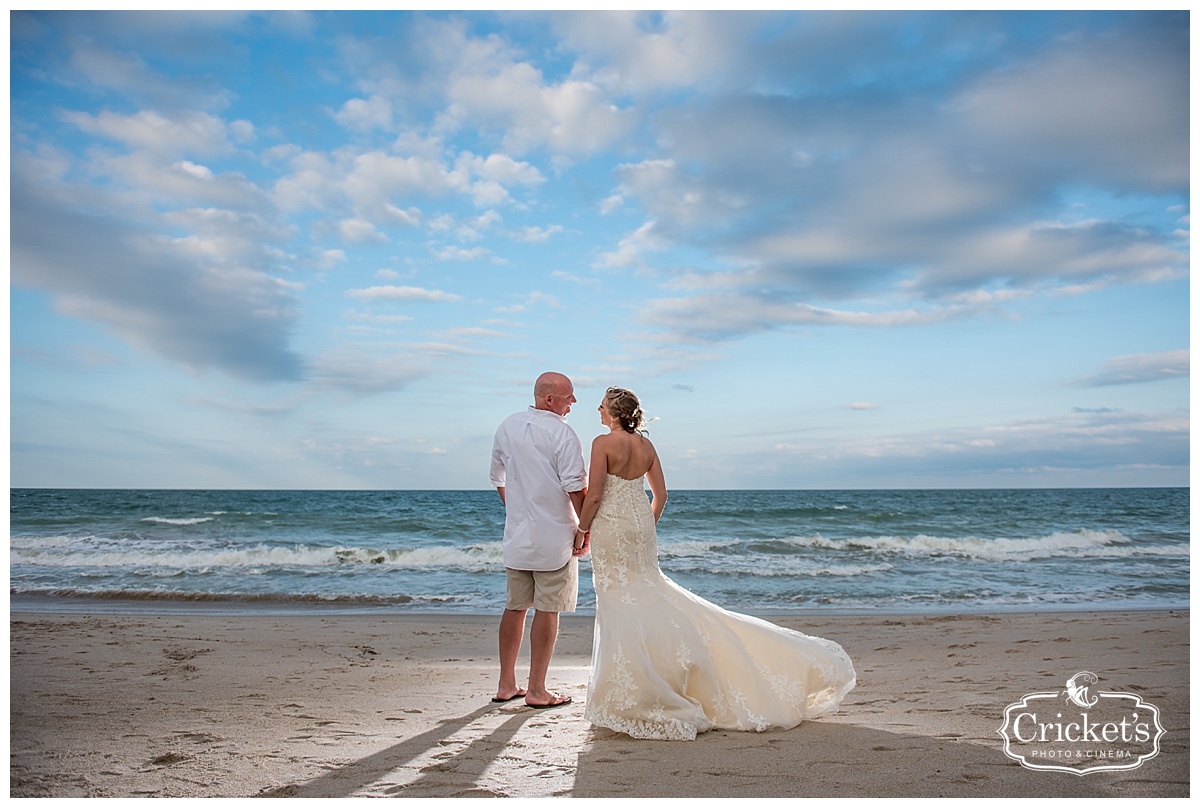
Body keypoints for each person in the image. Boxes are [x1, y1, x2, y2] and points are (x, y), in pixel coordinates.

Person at [573, 386, 856, 740]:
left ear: (614, 414)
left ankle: (637, 689)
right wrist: (647, 525)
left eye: (601, 407)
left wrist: (581, 529)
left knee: (619, 602)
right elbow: (660, 495)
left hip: (612, 528)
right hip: (640, 526)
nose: (598, 412)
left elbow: (596, 494)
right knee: (647, 592)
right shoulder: (646, 446)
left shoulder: (602, 443)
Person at [489, 371, 587, 709]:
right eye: (568, 396)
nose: (573, 402)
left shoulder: (507, 426)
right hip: (554, 537)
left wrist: (519, 509)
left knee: (515, 607)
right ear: (549, 400)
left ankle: (506, 685)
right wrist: (585, 529)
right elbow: (576, 487)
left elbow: (497, 477)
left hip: (519, 536)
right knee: (549, 609)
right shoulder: (562, 433)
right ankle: (537, 689)